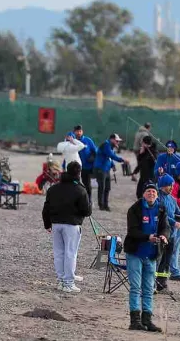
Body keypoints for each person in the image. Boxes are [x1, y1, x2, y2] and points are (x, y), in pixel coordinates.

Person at [124, 182, 170, 333]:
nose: (151, 194)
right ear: (143, 194)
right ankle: (135, 320)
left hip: (152, 254)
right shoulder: (135, 209)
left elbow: (166, 227)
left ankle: (147, 320)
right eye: (148, 191)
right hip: (136, 252)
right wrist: (147, 237)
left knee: (149, 288)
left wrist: (163, 236)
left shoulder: (161, 208)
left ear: (157, 194)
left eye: (154, 192)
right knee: (136, 287)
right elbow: (132, 231)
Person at [42, 162, 91, 293]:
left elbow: (46, 208)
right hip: (72, 225)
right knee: (70, 253)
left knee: (59, 253)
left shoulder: (53, 189)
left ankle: (60, 280)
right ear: (79, 173)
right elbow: (87, 211)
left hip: (56, 224)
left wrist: (47, 224)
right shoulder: (80, 190)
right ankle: (68, 282)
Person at [154, 174, 180, 294]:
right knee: (158, 259)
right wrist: (174, 222)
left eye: (172, 185)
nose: (172, 187)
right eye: (170, 185)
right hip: (162, 234)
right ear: (163, 186)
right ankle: (153, 283)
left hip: (172, 235)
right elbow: (164, 216)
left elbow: (177, 212)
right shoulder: (158, 198)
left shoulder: (172, 199)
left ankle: (162, 283)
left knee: (167, 261)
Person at [93, 133, 125, 212]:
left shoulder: (110, 147)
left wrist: (112, 165)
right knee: (102, 187)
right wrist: (122, 159)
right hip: (100, 169)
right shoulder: (106, 145)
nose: (118, 143)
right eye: (117, 141)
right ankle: (101, 205)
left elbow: (109, 158)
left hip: (106, 170)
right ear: (112, 139)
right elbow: (111, 155)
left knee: (107, 188)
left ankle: (106, 205)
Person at [73, 125, 99, 206]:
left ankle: (89, 200)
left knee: (87, 184)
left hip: (86, 167)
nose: (78, 133)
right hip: (75, 167)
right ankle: (76, 201)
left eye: (80, 131)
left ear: (82, 131)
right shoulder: (72, 142)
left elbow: (95, 151)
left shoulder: (88, 140)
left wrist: (92, 158)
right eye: (77, 131)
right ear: (74, 132)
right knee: (75, 184)